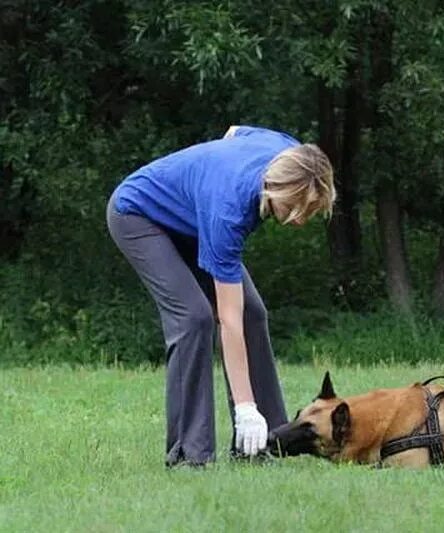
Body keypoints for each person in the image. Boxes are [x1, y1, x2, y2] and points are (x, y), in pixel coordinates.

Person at [106, 125, 335, 467]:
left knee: (252, 313)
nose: (299, 220)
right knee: (194, 318)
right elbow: (226, 320)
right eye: (294, 208)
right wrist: (244, 408)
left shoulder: (290, 152)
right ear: (275, 186)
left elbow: (234, 132)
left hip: (195, 220)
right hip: (139, 216)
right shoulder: (229, 210)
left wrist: (206, 180)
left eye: (309, 212)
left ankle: (262, 445)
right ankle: (189, 455)